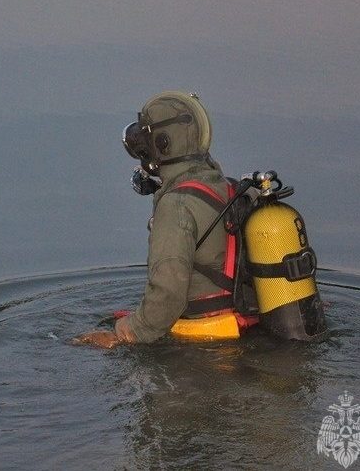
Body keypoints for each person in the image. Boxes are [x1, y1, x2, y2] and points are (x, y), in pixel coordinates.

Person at [75, 91, 252, 348]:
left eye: (145, 137)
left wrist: (123, 334)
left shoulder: (177, 205)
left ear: (164, 143)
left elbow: (169, 293)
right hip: (245, 328)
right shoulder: (227, 188)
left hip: (206, 345)